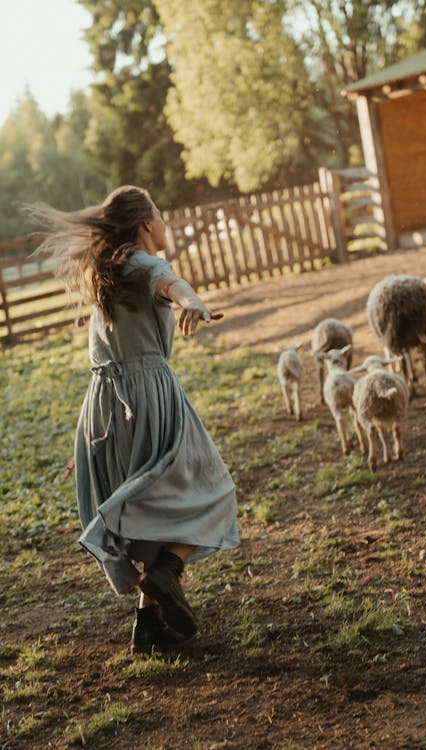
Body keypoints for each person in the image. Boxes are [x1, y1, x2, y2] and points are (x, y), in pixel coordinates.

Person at [34, 185, 239, 655]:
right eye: (161, 215)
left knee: (147, 510)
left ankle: (147, 628)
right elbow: (173, 284)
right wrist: (191, 302)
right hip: (148, 393)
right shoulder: (142, 263)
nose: (165, 224)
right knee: (214, 487)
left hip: (103, 407)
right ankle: (168, 572)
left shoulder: (105, 274)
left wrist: (83, 442)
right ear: (146, 223)